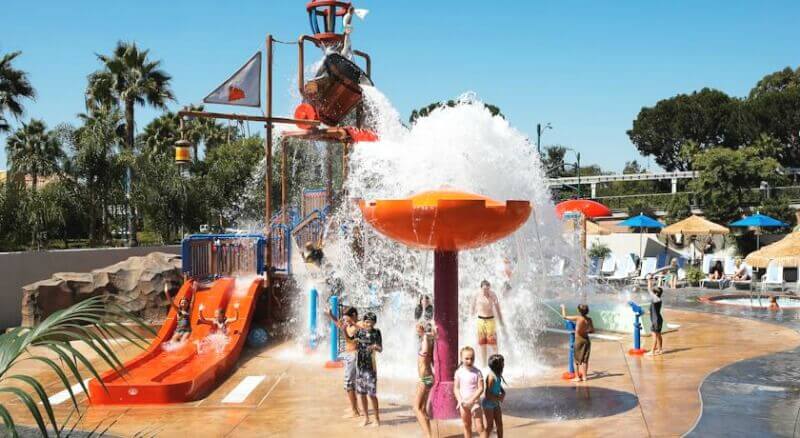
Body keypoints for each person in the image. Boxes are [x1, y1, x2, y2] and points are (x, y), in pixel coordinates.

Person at [326, 306, 362, 418]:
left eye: (348, 319)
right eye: (345, 319)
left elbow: (350, 336)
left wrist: (345, 327)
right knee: (352, 384)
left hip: (354, 357)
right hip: (349, 356)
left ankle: (355, 411)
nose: (346, 321)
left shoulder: (359, 324)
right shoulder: (350, 325)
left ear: (354, 316)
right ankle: (355, 407)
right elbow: (340, 325)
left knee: (349, 385)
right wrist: (330, 315)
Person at [355, 312, 383, 427]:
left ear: (374, 322)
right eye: (367, 321)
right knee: (362, 393)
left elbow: (381, 349)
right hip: (360, 367)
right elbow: (352, 342)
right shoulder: (360, 332)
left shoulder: (377, 332)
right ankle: (366, 418)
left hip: (371, 368)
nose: (369, 323)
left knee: (372, 394)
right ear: (364, 322)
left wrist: (375, 347)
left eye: (371, 321)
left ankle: (377, 419)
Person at [471, 280, 505, 367]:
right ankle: (484, 365)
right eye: (484, 289)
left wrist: (501, 321)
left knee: (493, 343)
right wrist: (471, 319)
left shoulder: (493, 295)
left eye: (487, 289)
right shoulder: (476, 295)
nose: (486, 291)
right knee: (483, 343)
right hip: (480, 320)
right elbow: (472, 308)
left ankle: (497, 362)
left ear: (490, 288)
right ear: (481, 288)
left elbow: (498, 309)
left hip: (490, 320)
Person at [453, 346, 486, 438]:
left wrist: (472, 400)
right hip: (463, 403)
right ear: (461, 358)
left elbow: (481, 388)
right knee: (467, 425)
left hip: (475, 403)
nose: (469, 361)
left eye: (472, 358)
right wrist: (459, 400)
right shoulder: (459, 372)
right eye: (466, 358)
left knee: (480, 427)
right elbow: (456, 388)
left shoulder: (477, 372)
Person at [561, 304, 594, 382]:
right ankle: (585, 377)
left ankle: (577, 377)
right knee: (585, 360)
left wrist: (563, 308)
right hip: (586, 340)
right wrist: (586, 331)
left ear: (579, 311)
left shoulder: (578, 318)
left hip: (578, 340)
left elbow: (564, 317)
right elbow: (592, 330)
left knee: (577, 360)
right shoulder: (589, 319)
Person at [414, 322, 436, 438]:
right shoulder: (430, 341)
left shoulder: (426, 342)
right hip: (428, 377)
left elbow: (425, 351)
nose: (417, 329)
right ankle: (428, 434)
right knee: (422, 408)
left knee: (416, 408)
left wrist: (424, 335)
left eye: (420, 327)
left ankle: (428, 436)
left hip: (425, 378)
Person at [482, 354, 506, 438]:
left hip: (495, 402)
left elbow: (498, 385)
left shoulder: (498, 374)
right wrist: (499, 398)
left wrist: (503, 392)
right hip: (488, 404)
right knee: (490, 426)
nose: (504, 364)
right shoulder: (491, 377)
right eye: (503, 363)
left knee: (499, 424)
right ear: (498, 365)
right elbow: (487, 394)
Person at [646, 286, 664, 356]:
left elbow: (649, 290)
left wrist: (649, 281)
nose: (651, 294)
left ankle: (652, 351)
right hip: (658, 319)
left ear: (656, 294)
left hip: (655, 321)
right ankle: (660, 350)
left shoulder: (655, 299)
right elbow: (652, 311)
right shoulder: (658, 300)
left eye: (653, 293)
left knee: (654, 336)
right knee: (658, 335)